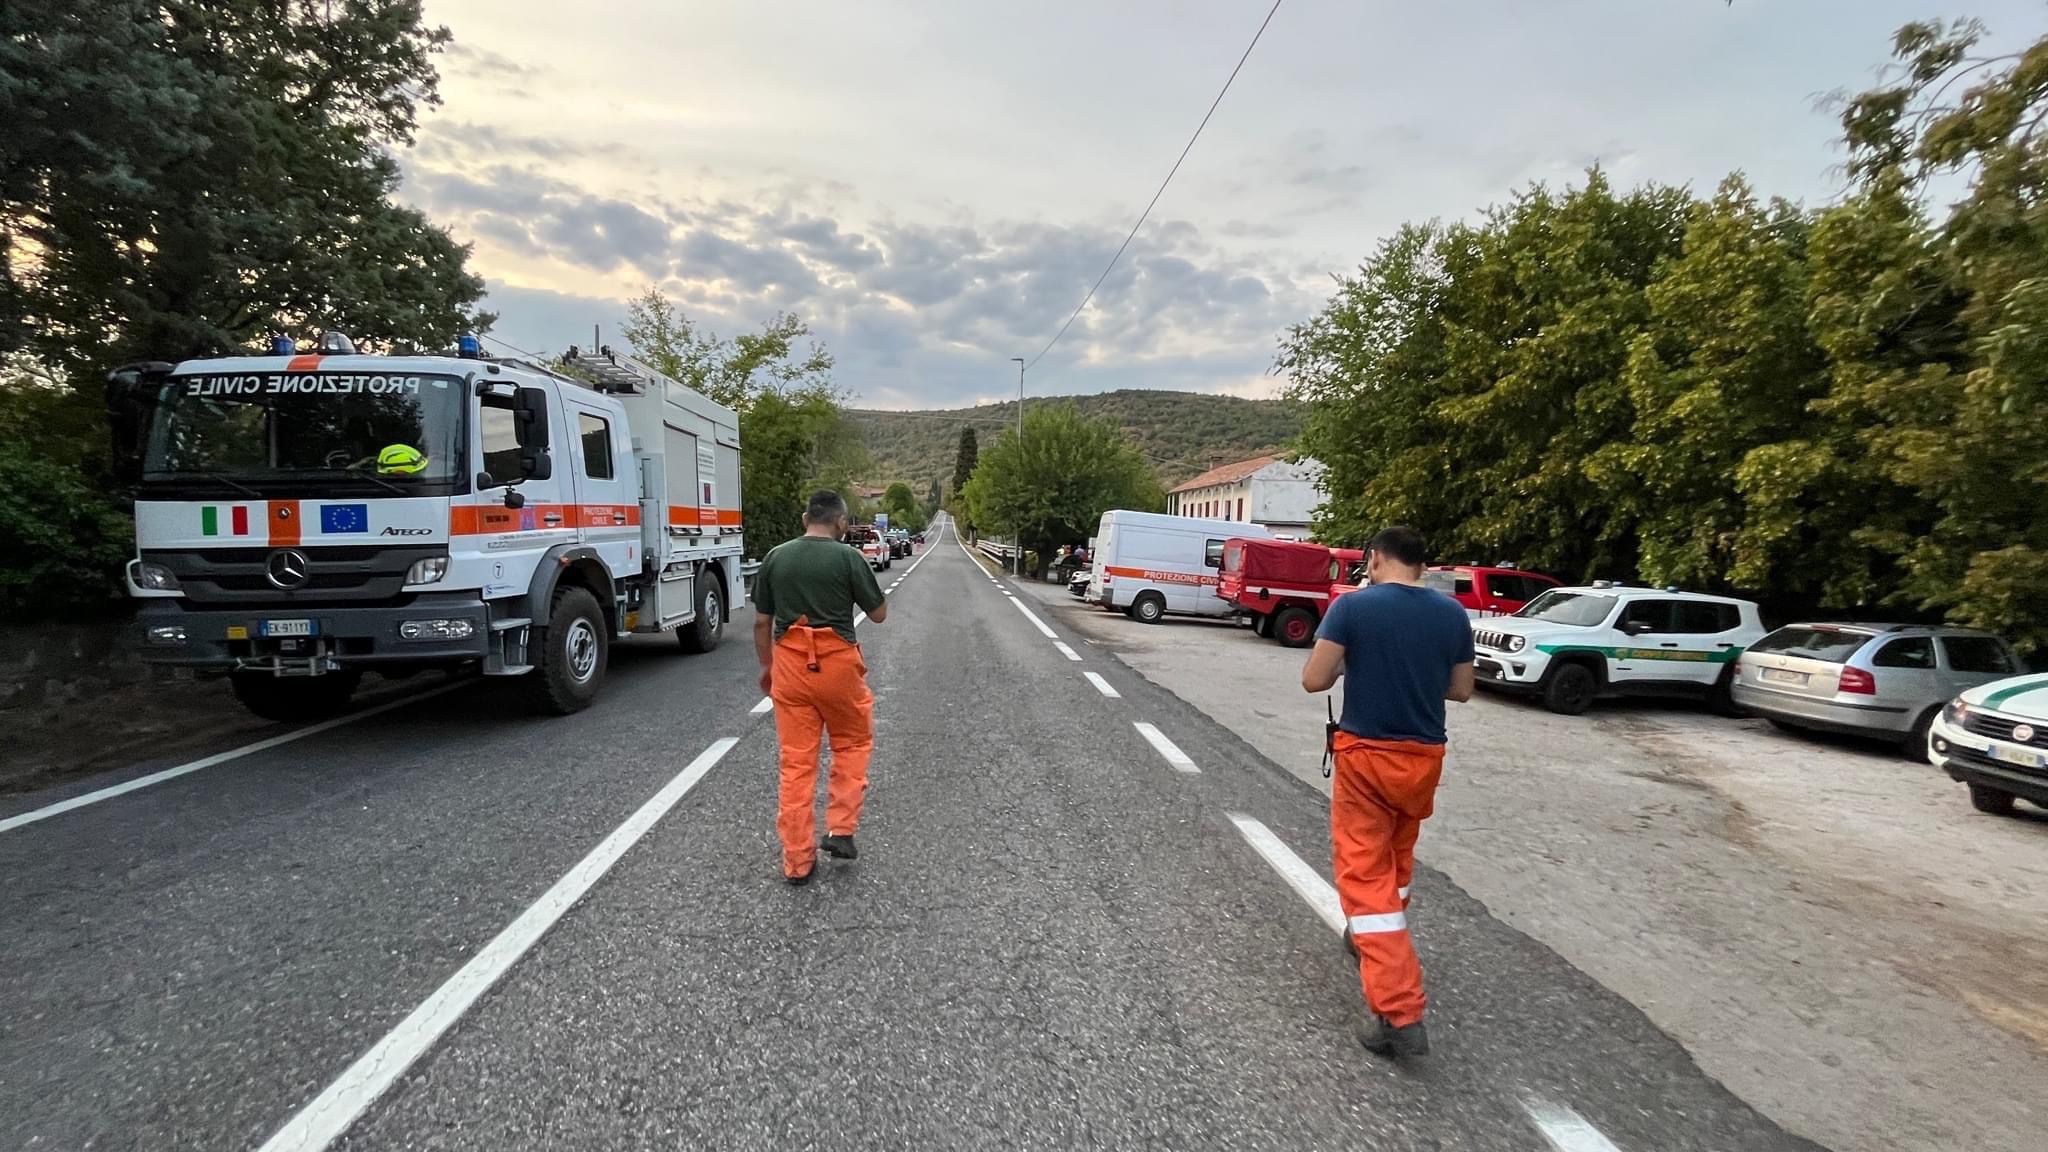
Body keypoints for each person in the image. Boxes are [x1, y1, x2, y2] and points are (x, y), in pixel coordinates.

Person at [1299, 525, 1475, 1058]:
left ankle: (1398, 1012)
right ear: (1422, 564)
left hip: (1366, 759)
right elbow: (1461, 690)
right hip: (1423, 760)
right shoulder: (1452, 615)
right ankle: (1368, 939)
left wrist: (1358, 658)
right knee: (1395, 859)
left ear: (1374, 559)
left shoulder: (1353, 609)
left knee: (1364, 875)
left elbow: (1314, 680)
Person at [753, 490, 888, 885]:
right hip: (838, 664)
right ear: (842, 523)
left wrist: (770, 667)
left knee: (797, 763)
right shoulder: (849, 557)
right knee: (851, 743)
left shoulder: (776, 557)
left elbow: (762, 623)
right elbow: (878, 615)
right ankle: (840, 829)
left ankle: (797, 861)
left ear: (804, 518)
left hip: (791, 667)